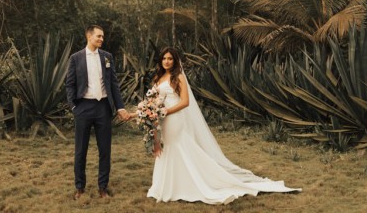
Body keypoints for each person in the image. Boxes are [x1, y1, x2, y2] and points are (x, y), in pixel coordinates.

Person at [130, 47, 301, 204]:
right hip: (162, 119)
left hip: (174, 118)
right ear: (160, 61)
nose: (167, 61)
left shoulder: (178, 77)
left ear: (175, 61)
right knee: (166, 148)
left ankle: (188, 184)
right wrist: (145, 112)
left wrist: (166, 111)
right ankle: (166, 185)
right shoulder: (158, 78)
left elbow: (185, 102)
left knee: (178, 147)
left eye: (170, 59)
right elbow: (151, 101)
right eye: (164, 59)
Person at [65, 25, 129, 200]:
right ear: (89, 36)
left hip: (103, 108)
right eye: (99, 36)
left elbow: (114, 84)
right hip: (83, 108)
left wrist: (120, 107)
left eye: (103, 37)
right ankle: (80, 188)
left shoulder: (107, 57)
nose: (102, 39)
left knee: (105, 150)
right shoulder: (75, 58)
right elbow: (69, 84)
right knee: (80, 150)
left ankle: (103, 187)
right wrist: (74, 107)